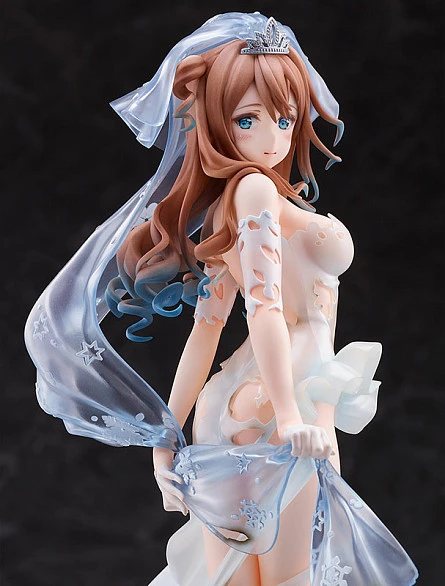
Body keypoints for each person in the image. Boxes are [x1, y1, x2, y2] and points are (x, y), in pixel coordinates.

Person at [24, 12, 418, 586]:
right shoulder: (253, 190)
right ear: (215, 122)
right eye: (247, 119)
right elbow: (264, 312)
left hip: (247, 401)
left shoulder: (230, 205)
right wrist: (291, 414)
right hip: (279, 401)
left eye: (284, 118)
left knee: (236, 575)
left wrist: (168, 436)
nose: (273, 138)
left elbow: (207, 329)